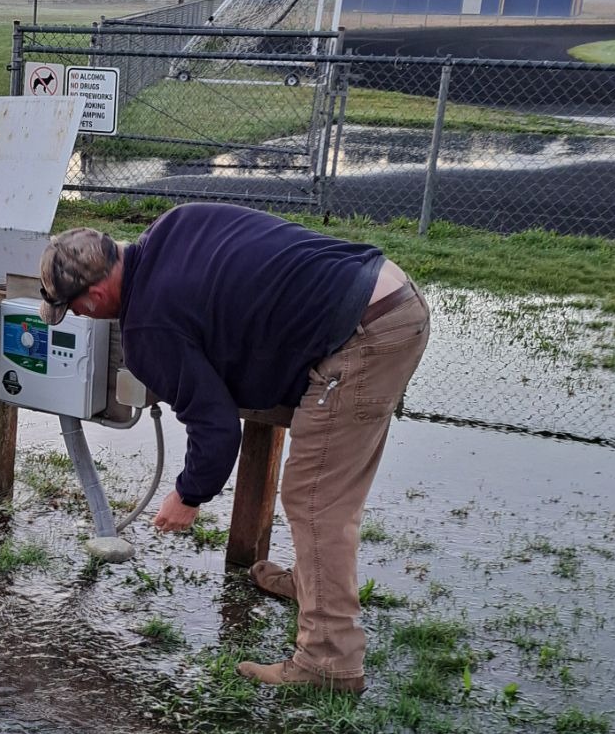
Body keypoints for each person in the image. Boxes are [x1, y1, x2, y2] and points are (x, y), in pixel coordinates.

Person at [37, 204, 430, 694]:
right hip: (382, 289)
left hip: (364, 333)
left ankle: (329, 661)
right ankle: (315, 587)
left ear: (95, 296)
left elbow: (218, 427)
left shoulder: (148, 330)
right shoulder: (172, 223)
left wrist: (188, 495)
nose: (76, 316)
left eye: (72, 309)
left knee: (316, 499)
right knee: (323, 490)